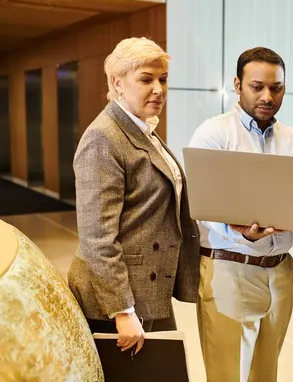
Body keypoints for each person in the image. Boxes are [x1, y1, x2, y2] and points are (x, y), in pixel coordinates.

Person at [188, 47, 293, 382]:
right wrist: (237, 229)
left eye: (276, 88)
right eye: (256, 86)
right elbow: (201, 203)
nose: (267, 96)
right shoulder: (214, 133)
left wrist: (282, 213)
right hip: (230, 267)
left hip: (279, 271)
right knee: (228, 374)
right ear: (237, 84)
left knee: (266, 373)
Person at [68, 37, 200, 354]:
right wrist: (123, 311)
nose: (158, 89)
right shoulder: (104, 136)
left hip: (147, 286)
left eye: (163, 79)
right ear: (118, 82)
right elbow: (97, 237)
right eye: (146, 79)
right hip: (114, 299)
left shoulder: (142, 128)